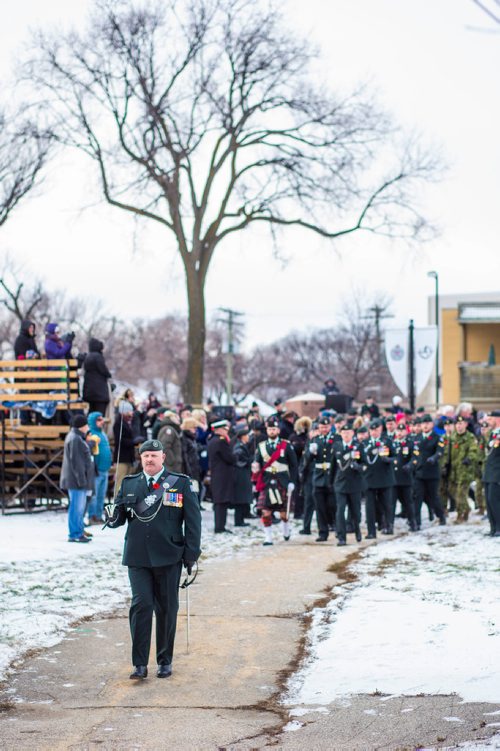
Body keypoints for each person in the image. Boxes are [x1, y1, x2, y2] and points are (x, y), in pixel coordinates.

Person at [106, 439, 201, 679]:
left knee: (167, 608)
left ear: (163, 458)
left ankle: (164, 660)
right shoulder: (129, 484)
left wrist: (191, 554)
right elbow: (118, 520)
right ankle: (139, 664)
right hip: (137, 556)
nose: (149, 459)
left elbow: (193, 522)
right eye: (145, 455)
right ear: (141, 459)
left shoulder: (180, 483)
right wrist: (110, 515)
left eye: (154, 455)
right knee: (141, 606)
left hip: (169, 555)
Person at [253, 416, 298, 545]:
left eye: (274, 429)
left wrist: (292, 482)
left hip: (282, 481)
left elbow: (294, 466)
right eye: (269, 429)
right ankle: (268, 538)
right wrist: (255, 468)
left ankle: (286, 530)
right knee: (265, 512)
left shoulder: (286, 445)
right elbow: (257, 463)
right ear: (267, 430)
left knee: (284, 513)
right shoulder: (261, 447)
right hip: (267, 482)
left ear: (278, 430)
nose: (272, 431)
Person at [60, 414, 95, 543]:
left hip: (77, 480)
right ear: (82, 426)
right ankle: (75, 533)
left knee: (79, 507)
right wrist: (82, 480)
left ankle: (79, 531)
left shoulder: (76, 437)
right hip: (76, 481)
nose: (88, 427)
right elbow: (77, 463)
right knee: (76, 507)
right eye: (86, 425)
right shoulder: (75, 439)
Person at [333, 420, 365, 545]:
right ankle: (342, 537)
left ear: (353, 433)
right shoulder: (336, 446)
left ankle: (357, 529)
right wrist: (331, 482)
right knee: (340, 510)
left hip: (354, 483)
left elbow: (365, 463)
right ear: (340, 434)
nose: (346, 435)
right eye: (344, 432)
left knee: (355, 511)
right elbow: (332, 466)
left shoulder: (358, 446)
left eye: (348, 432)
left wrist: (358, 467)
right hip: (340, 483)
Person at [413, 413, 446, 528]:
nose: (425, 426)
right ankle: (416, 522)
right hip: (419, 472)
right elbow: (414, 454)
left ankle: (441, 516)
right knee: (417, 497)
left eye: (427, 423)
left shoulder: (437, 437)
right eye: (423, 423)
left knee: (433, 497)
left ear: (432, 424)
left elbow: (440, 451)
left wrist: (434, 457)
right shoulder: (417, 438)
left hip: (432, 472)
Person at [364, 418, 396, 538]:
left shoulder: (387, 442)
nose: (374, 432)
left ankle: (389, 526)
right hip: (369, 479)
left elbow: (395, 456)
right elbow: (360, 459)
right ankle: (371, 531)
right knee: (369, 507)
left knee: (387, 504)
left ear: (381, 429)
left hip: (384, 477)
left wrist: (389, 460)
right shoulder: (365, 443)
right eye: (372, 430)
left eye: (376, 430)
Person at [307, 416, 336, 542]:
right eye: (322, 427)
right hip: (318, 477)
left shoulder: (336, 439)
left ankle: (336, 527)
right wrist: (310, 453)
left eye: (326, 427)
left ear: (330, 427)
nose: (324, 429)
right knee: (320, 507)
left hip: (332, 476)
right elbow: (307, 460)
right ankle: (323, 532)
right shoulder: (315, 440)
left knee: (333, 505)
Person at [448, 415, 479, 523]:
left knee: (461, 493)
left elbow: (474, 451)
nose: (459, 426)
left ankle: (460, 515)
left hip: (465, 470)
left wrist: (469, 458)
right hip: (454, 471)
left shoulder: (470, 437)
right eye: (457, 424)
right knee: (453, 491)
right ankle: (466, 508)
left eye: (461, 424)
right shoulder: (452, 437)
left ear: (465, 424)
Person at [207, 419, 236, 533]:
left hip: (217, 474)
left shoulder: (212, 440)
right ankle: (219, 527)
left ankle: (220, 526)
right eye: (225, 429)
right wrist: (235, 457)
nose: (226, 431)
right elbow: (230, 458)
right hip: (222, 475)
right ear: (219, 430)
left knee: (220, 501)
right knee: (221, 502)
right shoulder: (221, 441)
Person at [86, 411, 113, 524]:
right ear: (93, 421)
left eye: (102, 419)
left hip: (105, 469)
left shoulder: (103, 434)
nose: (102, 422)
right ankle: (92, 516)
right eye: (99, 419)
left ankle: (98, 515)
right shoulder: (91, 434)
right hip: (95, 470)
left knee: (101, 495)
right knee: (94, 495)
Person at [82, 338, 113, 415]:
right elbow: (103, 370)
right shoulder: (98, 357)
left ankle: (91, 426)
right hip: (99, 394)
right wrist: (109, 374)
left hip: (89, 393)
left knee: (91, 414)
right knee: (99, 415)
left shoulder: (87, 357)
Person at [113, 405, 140, 492]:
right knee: (120, 481)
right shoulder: (118, 424)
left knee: (127, 482)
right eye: (130, 411)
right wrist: (133, 442)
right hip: (122, 458)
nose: (131, 413)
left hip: (128, 457)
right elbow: (120, 440)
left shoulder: (127, 423)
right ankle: (118, 502)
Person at [232, 424, 253, 526]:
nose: (248, 437)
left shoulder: (242, 446)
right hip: (240, 475)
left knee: (242, 498)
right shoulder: (239, 447)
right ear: (243, 437)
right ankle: (239, 521)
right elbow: (239, 461)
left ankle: (240, 520)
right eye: (247, 435)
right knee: (240, 499)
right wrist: (250, 460)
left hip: (242, 475)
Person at [483, 410, 500, 536]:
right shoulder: (492, 434)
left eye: (490, 419)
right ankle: (493, 527)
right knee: (488, 502)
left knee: (494, 499)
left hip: (497, 472)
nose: (488, 422)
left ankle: (499, 527)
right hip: (489, 471)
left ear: (497, 419)